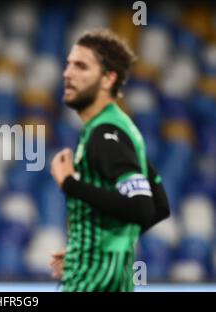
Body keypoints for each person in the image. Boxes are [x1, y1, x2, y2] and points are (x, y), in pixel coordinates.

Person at [49, 28, 170, 292]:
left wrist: (69, 183)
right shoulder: (120, 127)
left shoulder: (105, 134)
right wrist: (92, 250)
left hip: (92, 286)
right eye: (69, 65)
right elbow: (160, 205)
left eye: (81, 66)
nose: (67, 73)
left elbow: (141, 207)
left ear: (108, 79)